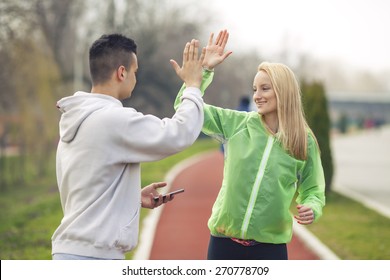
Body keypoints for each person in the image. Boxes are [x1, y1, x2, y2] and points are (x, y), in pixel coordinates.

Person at [52, 34, 206, 260]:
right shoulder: (114, 119)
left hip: (69, 252)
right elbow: (178, 134)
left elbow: (86, 185)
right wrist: (192, 87)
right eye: (135, 72)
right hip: (95, 258)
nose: (136, 78)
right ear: (121, 73)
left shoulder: (75, 118)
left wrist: (129, 199)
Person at [175, 30, 326, 260]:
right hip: (224, 245)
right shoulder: (237, 123)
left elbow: (313, 189)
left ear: (283, 92)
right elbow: (185, 109)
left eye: (265, 88)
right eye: (255, 89)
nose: (257, 96)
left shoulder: (302, 140)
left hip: (270, 250)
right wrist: (203, 73)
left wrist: (312, 207)